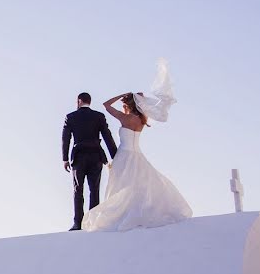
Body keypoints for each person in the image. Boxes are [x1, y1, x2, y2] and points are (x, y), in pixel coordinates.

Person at [82, 85, 192, 232]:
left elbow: (106, 105)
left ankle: (121, 214)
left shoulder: (125, 118)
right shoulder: (141, 121)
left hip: (124, 155)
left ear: (128, 105)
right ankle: (134, 212)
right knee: (137, 184)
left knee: (120, 185)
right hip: (137, 155)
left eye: (124, 105)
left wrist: (121, 94)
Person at [62, 92, 118, 231]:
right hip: (96, 155)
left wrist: (65, 159)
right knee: (94, 189)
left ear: (79, 101)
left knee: (78, 190)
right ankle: (93, 222)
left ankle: (78, 223)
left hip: (79, 156)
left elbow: (66, 139)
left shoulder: (70, 117)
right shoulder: (99, 116)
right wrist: (116, 156)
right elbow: (107, 137)